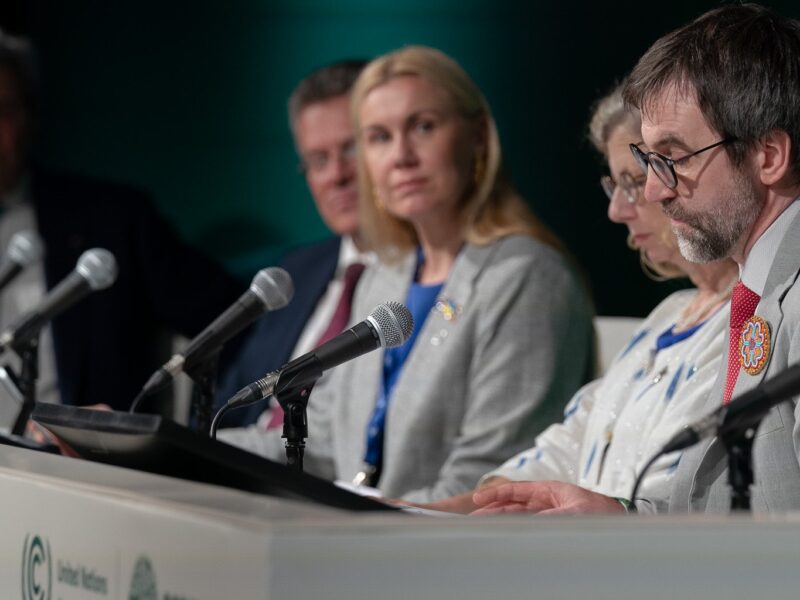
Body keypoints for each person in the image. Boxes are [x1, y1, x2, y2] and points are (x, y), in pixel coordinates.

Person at [219, 45, 594, 502]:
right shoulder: (385, 278)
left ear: (477, 136)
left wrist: (361, 522)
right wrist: (179, 442)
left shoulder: (528, 277)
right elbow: (321, 443)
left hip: (439, 556)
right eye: (378, 137)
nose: (401, 156)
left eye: (423, 127)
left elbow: (490, 480)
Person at [472, 3, 800, 516]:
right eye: (649, 161)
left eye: (672, 158)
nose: (653, 190)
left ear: (769, 156)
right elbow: (721, 505)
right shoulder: (756, 294)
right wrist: (621, 516)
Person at [421, 84, 738, 514]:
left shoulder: (749, 317)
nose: (619, 210)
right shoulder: (668, 315)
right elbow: (570, 443)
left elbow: (690, 492)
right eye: (617, 186)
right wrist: (425, 512)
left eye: (637, 181)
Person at [0, 29, 243, 411]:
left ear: (29, 116)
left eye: (3, 110)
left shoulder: (112, 219)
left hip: (71, 462)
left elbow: (236, 323)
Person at [215, 60, 371, 427]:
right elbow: (230, 410)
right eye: (318, 160)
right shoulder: (295, 272)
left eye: (351, 149)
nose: (336, 175)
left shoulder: (426, 278)